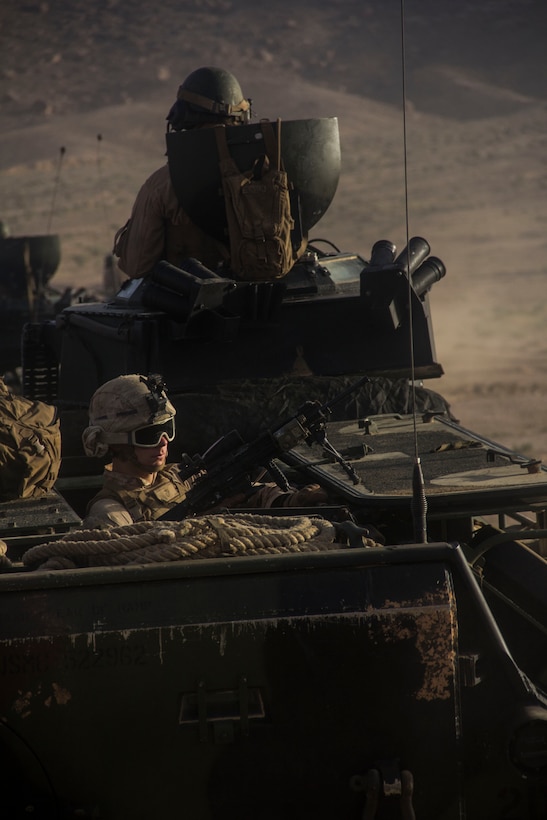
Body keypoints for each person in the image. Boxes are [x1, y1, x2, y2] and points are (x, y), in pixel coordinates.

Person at [81, 373, 328, 528]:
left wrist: (291, 500)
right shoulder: (111, 513)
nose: (164, 441)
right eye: (149, 435)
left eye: (167, 429)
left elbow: (252, 493)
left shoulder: (180, 477)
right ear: (115, 443)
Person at [113, 66, 251, 280]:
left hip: (195, 307)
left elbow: (139, 266)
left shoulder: (163, 184)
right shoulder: (270, 172)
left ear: (183, 116)